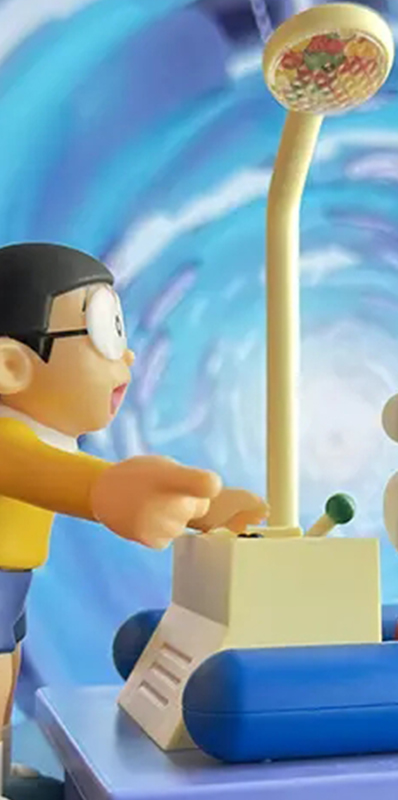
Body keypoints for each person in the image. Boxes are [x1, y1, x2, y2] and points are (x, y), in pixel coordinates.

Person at [0, 243, 267, 794]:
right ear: (11, 366)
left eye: (120, 333)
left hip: (11, 582)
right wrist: (108, 492)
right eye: (104, 335)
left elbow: (81, 473)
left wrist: (204, 511)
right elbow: (51, 475)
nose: (127, 357)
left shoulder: (41, 434)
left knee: (8, 668)